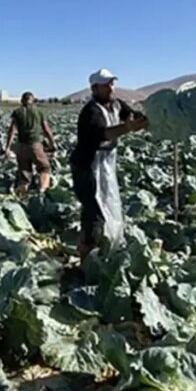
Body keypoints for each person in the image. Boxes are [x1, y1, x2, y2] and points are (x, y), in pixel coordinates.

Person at [69, 69, 148, 257]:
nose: (111, 87)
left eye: (112, 83)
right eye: (106, 85)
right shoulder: (91, 111)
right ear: (94, 88)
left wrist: (146, 120)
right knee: (94, 209)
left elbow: (132, 115)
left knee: (107, 201)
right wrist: (127, 128)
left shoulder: (116, 104)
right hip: (87, 165)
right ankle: (87, 254)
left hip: (105, 162)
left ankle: (97, 246)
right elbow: (102, 134)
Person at [5, 92, 57, 194]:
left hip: (21, 146)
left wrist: (8, 147)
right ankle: (42, 191)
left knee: (24, 171)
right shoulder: (38, 111)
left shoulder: (17, 112)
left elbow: (12, 130)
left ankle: (23, 193)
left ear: (22, 100)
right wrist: (52, 142)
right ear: (32, 100)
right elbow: (46, 129)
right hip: (35, 145)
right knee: (44, 168)